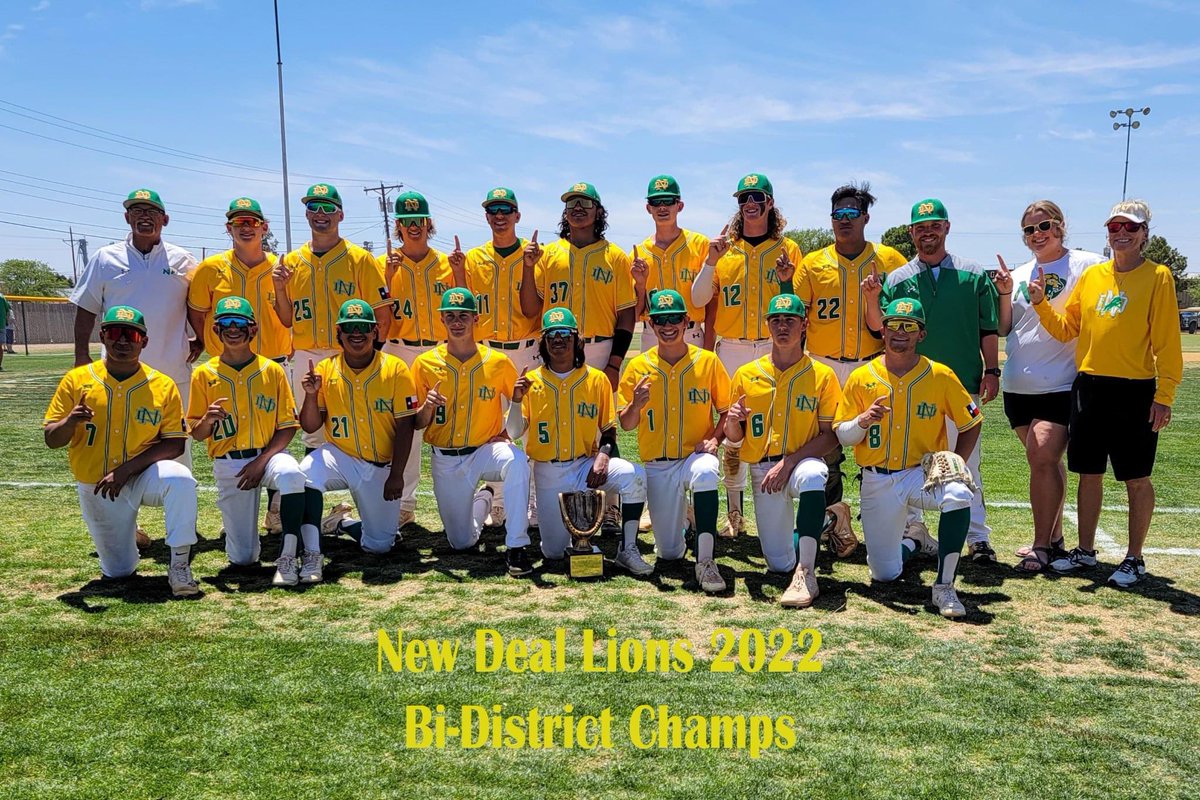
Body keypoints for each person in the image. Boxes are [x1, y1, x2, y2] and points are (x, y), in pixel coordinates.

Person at [1029, 200, 1182, 587]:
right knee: (1088, 474)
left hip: (1134, 391)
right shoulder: (1094, 276)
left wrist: (1164, 395)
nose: (1122, 234)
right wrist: (1041, 304)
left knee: (1136, 477)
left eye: (1130, 227)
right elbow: (1067, 328)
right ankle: (1085, 552)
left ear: (1145, 233)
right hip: (1089, 387)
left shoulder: (1159, 276)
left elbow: (1167, 343)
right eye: (1115, 227)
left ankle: (1134, 558)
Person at [866, 198, 1000, 563]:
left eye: (934, 225)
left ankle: (978, 537)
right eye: (921, 227)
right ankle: (914, 531)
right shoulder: (897, 279)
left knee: (965, 464)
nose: (928, 232)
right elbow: (882, 328)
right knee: (910, 462)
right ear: (911, 232)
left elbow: (988, 327)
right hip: (909, 384)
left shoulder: (973, 273)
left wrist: (991, 370)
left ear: (946, 228)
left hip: (960, 381)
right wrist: (873, 298)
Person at [836, 298, 983, 618]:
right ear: (882, 330)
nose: (899, 332)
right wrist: (863, 420)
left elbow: (972, 420)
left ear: (922, 334)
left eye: (909, 326)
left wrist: (957, 462)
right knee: (884, 575)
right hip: (876, 478)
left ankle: (944, 585)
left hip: (922, 474)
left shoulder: (940, 374)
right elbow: (843, 436)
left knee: (958, 494)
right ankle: (915, 541)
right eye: (892, 325)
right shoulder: (863, 376)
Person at [43, 305, 199, 596]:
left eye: (132, 335)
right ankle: (129, 534)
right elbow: (51, 439)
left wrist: (126, 470)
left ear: (145, 341)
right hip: (99, 485)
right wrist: (70, 421)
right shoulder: (77, 380)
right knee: (119, 572)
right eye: (115, 333)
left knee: (180, 478)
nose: (123, 341)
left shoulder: (162, 385)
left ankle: (179, 565)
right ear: (102, 337)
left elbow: (175, 442)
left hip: (140, 476)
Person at [793, 182, 909, 558]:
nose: (843, 221)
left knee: (878, 445)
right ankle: (834, 522)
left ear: (865, 218)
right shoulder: (813, 263)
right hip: (824, 365)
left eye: (851, 214)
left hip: (872, 365)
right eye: (837, 215)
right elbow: (797, 315)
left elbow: (898, 318)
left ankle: (897, 525)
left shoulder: (890, 259)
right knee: (826, 447)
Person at [992, 201, 1104, 571]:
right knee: (1044, 463)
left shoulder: (1087, 265)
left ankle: (1040, 545)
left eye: (1044, 226)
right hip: (1018, 385)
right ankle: (1055, 539)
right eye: (1029, 230)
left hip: (1061, 381)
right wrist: (1006, 292)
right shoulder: (1021, 272)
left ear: (1060, 226)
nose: (1037, 234)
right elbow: (1007, 327)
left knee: (1041, 456)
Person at [690, 173, 802, 538]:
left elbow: (797, 303)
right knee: (730, 430)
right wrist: (710, 261)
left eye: (757, 196)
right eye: (743, 198)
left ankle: (779, 510)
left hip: (773, 347)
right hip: (733, 346)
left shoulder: (789, 248)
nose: (749, 203)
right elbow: (698, 299)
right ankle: (734, 512)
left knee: (775, 430)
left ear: (770, 202)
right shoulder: (726, 248)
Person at [507, 307, 649, 572]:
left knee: (635, 475)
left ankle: (627, 548)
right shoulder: (531, 382)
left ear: (577, 340)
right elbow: (514, 432)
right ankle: (579, 540)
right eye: (551, 335)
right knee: (554, 552)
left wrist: (604, 457)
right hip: (548, 471)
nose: (558, 340)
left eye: (564, 334)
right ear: (544, 342)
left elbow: (608, 430)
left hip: (586, 466)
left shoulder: (597, 379)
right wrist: (516, 401)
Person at [725, 294, 841, 607]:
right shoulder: (747, 374)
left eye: (790, 319)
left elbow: (830, 437)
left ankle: (807, 572)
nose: (782, 326)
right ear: (767, 326)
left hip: (801, 461)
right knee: (777, 564)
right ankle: (826, 521)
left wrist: (790, 463)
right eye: (775, 319)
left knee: (815, 474)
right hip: (763, 470)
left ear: (804, 325)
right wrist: (733, 423)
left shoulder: (822, 375)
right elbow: (734, 437)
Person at [186, 297, 311, 586]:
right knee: (242, 558)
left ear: (252, 330)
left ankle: (289, 556)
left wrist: (260, 463)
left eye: (240, 323)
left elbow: (288, 427)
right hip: (229, 464)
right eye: (226, 324)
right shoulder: (204, 374)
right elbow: (197, 433)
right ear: (215, 330)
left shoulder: (272, 370)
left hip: (268, 456)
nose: (233, 329)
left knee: (292, 473)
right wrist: (207, 420)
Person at [411, 289, 532, 575]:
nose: (457, 322)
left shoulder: (497, 361)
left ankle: (516, 546)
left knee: (517, 461)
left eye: (463, 315)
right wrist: (427, 407)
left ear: (475, 318)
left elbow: (520, 416)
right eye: (450, 316)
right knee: (461, 543)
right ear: (442, 319)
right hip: (446, 457)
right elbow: (416, 423)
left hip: (484, 450)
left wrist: (509, 417)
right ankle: (486, 498)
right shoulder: (424, 363)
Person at [617, 290, 731, 593]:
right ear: (651, 325)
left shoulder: (707, 362)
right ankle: (686, 521)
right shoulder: (638, 367)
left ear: (687, 321)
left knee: (707, 471)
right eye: (660, 320)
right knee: (669, 553)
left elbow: (727, 411)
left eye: (675, 319)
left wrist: (715, 439)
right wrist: (635, 405)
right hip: (658, 465)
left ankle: (706, 560)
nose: (668, 326)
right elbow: (626, 425)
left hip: (694, 456)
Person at [70, 189, 199, 453]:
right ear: (127, 217)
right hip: (118, 374)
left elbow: (197, 306)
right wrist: (81, 355)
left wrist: (202, 337)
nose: (145, 217)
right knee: (120, 443)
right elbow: (86, 308)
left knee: (175, 447)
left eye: (152, 211)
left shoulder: (183, 260)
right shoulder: (105, 258)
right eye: (138, 211)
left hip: (172, 371)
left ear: (165, 220)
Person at [272, 183, 391, 450]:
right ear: (306, 214)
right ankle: (314, 488)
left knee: (359, 425)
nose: (320, 213)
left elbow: (382, 315)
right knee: (312, 432)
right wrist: (280, 289)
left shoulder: (360, 259)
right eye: (313, 207)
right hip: (307, 355)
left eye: (328, 207)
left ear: (341, 215)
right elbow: (287, 319)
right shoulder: (291, 261)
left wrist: (373, 354)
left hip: (350, 354)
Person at [451, 188, 541, 528]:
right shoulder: (473, 258)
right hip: (488, 349)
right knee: (493, 429)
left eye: (506, 209)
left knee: (529, 426)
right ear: (486, 216)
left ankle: (531, 499)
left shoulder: (535, 255)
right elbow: (462, 305)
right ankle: (499, 500)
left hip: (527, 348)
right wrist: (459, 273)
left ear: (517, 215)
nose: (499, 215)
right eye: (493, 210)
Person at [298, 300, 418, 557]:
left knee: (380, 546)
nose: (356, 333)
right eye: (349, 327)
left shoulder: (395, 368)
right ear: (339, 333)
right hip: (340, 455)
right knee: (303, 474)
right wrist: (310, 395)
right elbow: (310, 426)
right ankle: (310, 550)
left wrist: (397, 474)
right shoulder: (325, 369)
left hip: (380, 466)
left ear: (374, 332)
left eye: (363, 327)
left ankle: (342, 522)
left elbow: (406, 426)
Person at [518, 182, 636, 385]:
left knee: (599, 415)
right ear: (565, 213)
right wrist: (527, 268)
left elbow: (626, 315)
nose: (578, 208)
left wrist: (615, 364)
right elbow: (530, 311)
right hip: (555, 346)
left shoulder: (615, 257)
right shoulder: (548, 254)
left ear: (598, 212)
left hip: (600, 349)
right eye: (571, 203)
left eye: (585, 203)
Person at [381, 190, 451, 528]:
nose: (414, 227)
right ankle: (404, 504)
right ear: (398, 225)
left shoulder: (446, 264)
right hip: (399, 348)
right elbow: (380, 319)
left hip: (438, 349)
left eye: (419, 221)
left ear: (429, 223)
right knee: (406, 426)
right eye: (407, 222)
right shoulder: (386, 265)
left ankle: (466, 501)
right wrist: (387, 279)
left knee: (448, 422)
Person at [187, 198, 291, 364]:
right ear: (229, 228)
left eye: (252, 222)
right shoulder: (210, 268)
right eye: (238, 222)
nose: (246, 227)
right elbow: (197, 315)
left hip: (273, 362)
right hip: (223, 363)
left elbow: (290, 318)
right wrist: (211, 343)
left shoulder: (280, 268)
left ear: (264, 227)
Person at [631, 175, 712, 351]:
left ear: (679, 206)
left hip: (692, 333)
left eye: (668, 201)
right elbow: (635, 314)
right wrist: (640, 284)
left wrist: (709, 345)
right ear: (648, 208)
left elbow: (713, 301)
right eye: (656, 201)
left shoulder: (700, 245)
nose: (662, 207)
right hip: (652, 334)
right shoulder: (639, 253)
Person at [0, 290, 10, 370]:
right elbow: (8, 310)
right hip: (1, 324)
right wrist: (6, 321)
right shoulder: (2, 297)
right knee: (0, 345)